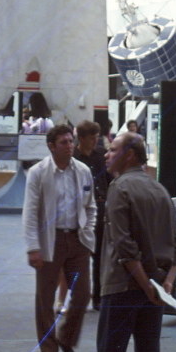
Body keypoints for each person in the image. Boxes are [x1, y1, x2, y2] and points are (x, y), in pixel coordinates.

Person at [64, 132, 176, 352]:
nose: (106, 154)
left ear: (129, 154)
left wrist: (143, 283)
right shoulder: (160, 190)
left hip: (123, 287)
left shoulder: (120, 188)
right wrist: (164, 285)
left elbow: (124, 247)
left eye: (113, 149)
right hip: (155, 292)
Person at [23, 123, 98, 352]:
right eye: (64, 142)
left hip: (77, 240)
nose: (70, 146)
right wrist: (33, 247)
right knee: (45, 297)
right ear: (51, 146)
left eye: (71, 141)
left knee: (83, 294)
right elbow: (31, 212)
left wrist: (87, 234)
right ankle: (49, 351)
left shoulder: (83, 170)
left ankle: (66, 339)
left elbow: (91, 206)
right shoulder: (38, 173)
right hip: (49, 240)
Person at [76, 120, 109, 309]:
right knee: (80, 256)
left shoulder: (101, 155)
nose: (95, 141)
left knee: (100, 257)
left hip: (101, 209)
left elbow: (109, 178)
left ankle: (98, 297)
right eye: (91, 138)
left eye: (97, 137)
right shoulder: (74, 158)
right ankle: (78, 297)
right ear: (81, 138)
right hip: (80, 212)